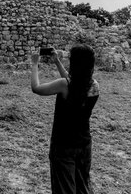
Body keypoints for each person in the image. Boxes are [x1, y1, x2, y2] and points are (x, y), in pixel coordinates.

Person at [30, 44, 99, 194]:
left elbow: (36, 88)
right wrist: (57, 62)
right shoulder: (94, 86)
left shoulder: (64, 85)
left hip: (63, 145)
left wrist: (34, 64)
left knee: (64, 188)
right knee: (82, 186)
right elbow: (74, 82)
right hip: (84, 144)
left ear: (75, 63)